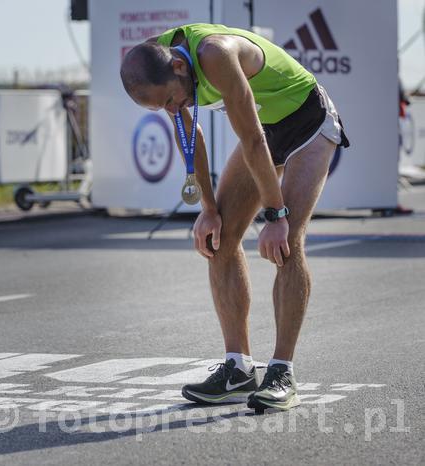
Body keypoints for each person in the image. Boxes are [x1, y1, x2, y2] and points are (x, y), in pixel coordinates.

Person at [120, 23, 349, 412]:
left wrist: (276, 215)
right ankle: (239, 370)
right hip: (261, 132)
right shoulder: (160, 63)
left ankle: (282, 372)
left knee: (287, 242)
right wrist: (209, 210)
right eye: (164, 107)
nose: (175, 109)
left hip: (307, 124)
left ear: (179, 66)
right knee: (220, 240)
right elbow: (190, 135)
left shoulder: (215, 55)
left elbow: (254, 140)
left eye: (174, 100)